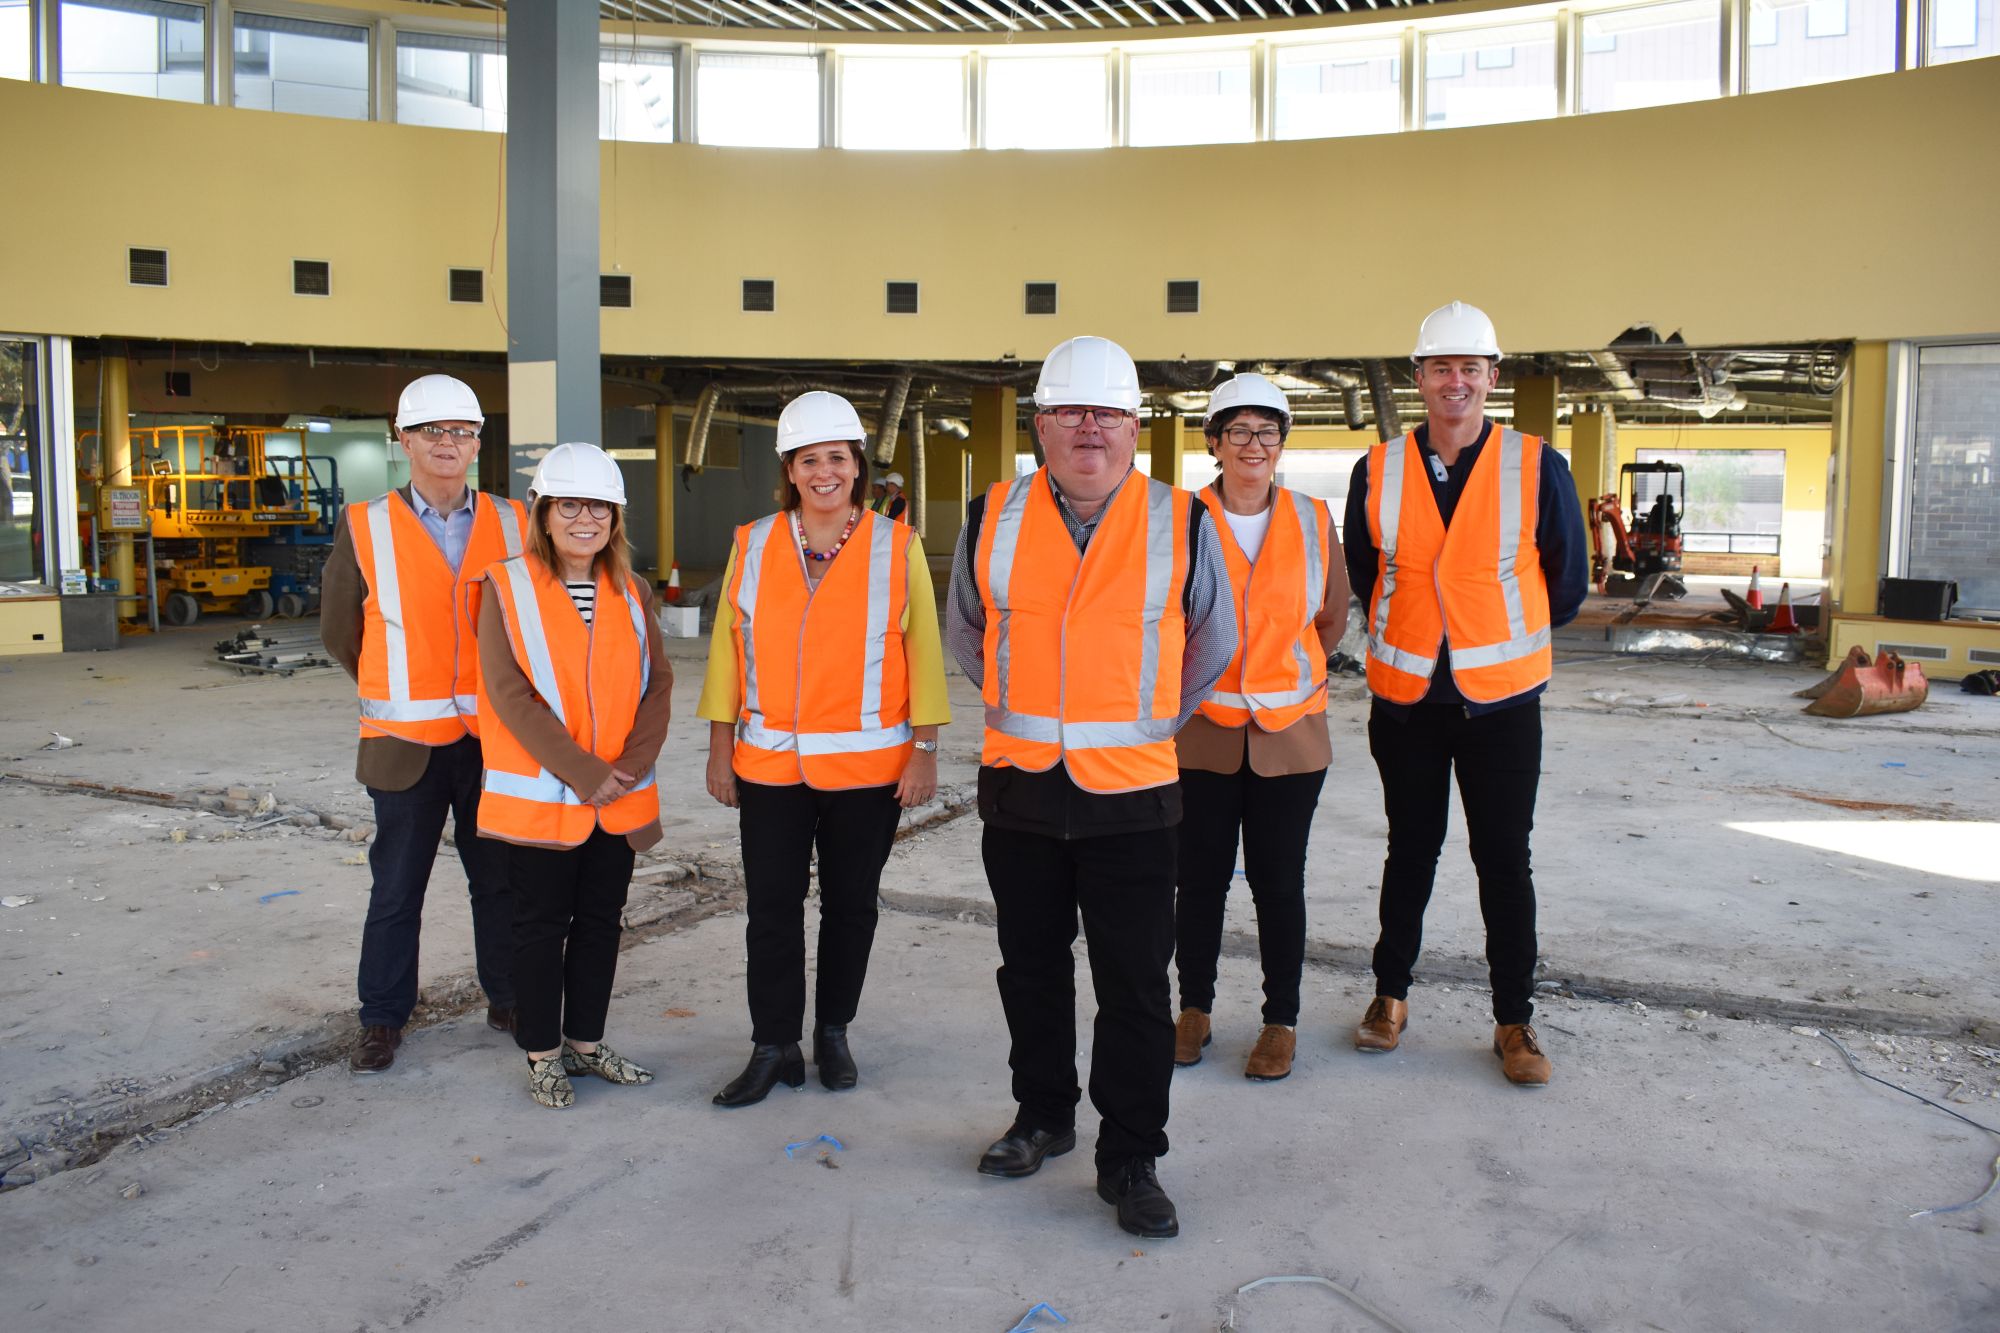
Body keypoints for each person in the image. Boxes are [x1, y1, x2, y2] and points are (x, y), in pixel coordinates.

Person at [948, 335, 1235, 1241]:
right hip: (1023, 789)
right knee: (1029, 969)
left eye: (1106, 413)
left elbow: (1212, 643)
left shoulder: (1180, 519)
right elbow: (966, 631)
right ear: (1040, 424)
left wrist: (1146, 715)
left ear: (1135, 426)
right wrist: (1022, 705)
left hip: (1134, 796)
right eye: (1070, 411)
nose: (1089, 429)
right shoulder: (991, 513)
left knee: (1137, 986)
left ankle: (1130, 1153)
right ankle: (1042, 1115)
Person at [1343, 302, 1587, 1087]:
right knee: (1409, 851)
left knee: (1502, 860)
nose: (1456, 381)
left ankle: (1514, 1019)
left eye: (1469, 368)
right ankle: (1390, 996)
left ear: (1491, 377)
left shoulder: (1536, 464)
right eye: (1441, 366)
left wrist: (1488, 628)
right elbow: (1362, 571)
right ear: (1419, 377)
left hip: (1504, 705)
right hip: (1407, 700)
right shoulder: (1377, 468)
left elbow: (1568, 578)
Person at [699, 391, 948, 1108]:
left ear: (857, 466)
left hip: (869, 769)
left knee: (850, 907)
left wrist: (924, 746)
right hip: (771, 764)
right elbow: (727, 651)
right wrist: (721, 748)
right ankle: (773, 1044)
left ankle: (833, 1030)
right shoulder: (753, 542)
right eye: (810, 460)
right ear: (791, 469)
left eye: (836, 457)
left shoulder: (895, 545)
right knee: (770, 909)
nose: (824, 472)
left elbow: (922, 650)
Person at [321, 374, 525, 1075]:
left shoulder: (514, 521)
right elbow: (339, 629)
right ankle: (381, 1018)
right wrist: (392, 682)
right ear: (403, 439)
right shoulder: (363, 523)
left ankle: (507, 996)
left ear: (477, 442)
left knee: (497, 879)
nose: (448, 443)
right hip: (402, 742)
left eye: (461, 432)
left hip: (492, 743)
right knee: (397, 886)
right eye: (432, 431)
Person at [474, 443, 673, 1109]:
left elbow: (658, 683)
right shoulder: (505, 586)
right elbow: (508, 694)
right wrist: (588, 773)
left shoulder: (633, 589)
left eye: (599, 506)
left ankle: (587, 1043)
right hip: (546, 801)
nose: (584, 518)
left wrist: (632, 764)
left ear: (615, 518)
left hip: (617, 798)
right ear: (544, 513)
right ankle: (542, 1054)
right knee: (538, 928)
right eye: (570, 504)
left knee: (600, 922)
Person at [1172, 373, 1349, 1083]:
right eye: (1238, 431)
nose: (1253, 444)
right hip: (1204, 730)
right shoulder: (1182, 518)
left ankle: (1281, 1020)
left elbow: (1331, 614)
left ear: (1281, 444)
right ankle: (1195, 1007)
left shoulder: (1311, 517)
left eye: (1267, 431)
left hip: (1289, 733)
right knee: (1199, 879)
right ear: (1214, 443)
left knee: (1280, 882)